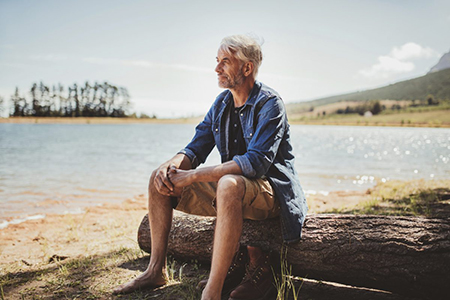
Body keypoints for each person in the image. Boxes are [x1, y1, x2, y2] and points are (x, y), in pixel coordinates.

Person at [113, 34, 308, 300]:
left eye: (225, 62)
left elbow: (255, 163)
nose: (216, 68)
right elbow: (196, 148)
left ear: (247, 68)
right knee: (158, 179)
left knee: (228, 183)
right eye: (217, 61)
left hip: (273, 192)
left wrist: (192, 176)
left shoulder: (270, 103)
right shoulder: (221, 104)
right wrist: (172, 165)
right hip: (235, 191)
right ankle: (155, 271)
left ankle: (212, 292)